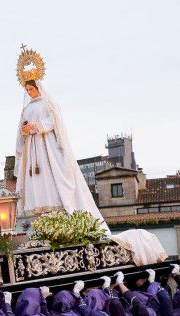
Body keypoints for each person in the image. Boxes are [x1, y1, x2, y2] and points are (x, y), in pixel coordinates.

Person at [12, 52, 108, 232]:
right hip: (31, 150)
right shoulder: (26, 108)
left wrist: (36, 127)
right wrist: (24, 130)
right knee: (33, 181)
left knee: (51, 176)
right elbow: (21, 127)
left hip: (46, 146)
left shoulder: (49, 104)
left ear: (38, 86)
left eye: (32, 89)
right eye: (27, 90)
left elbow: (53, 122)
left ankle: (56, 211)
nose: (30, 92)